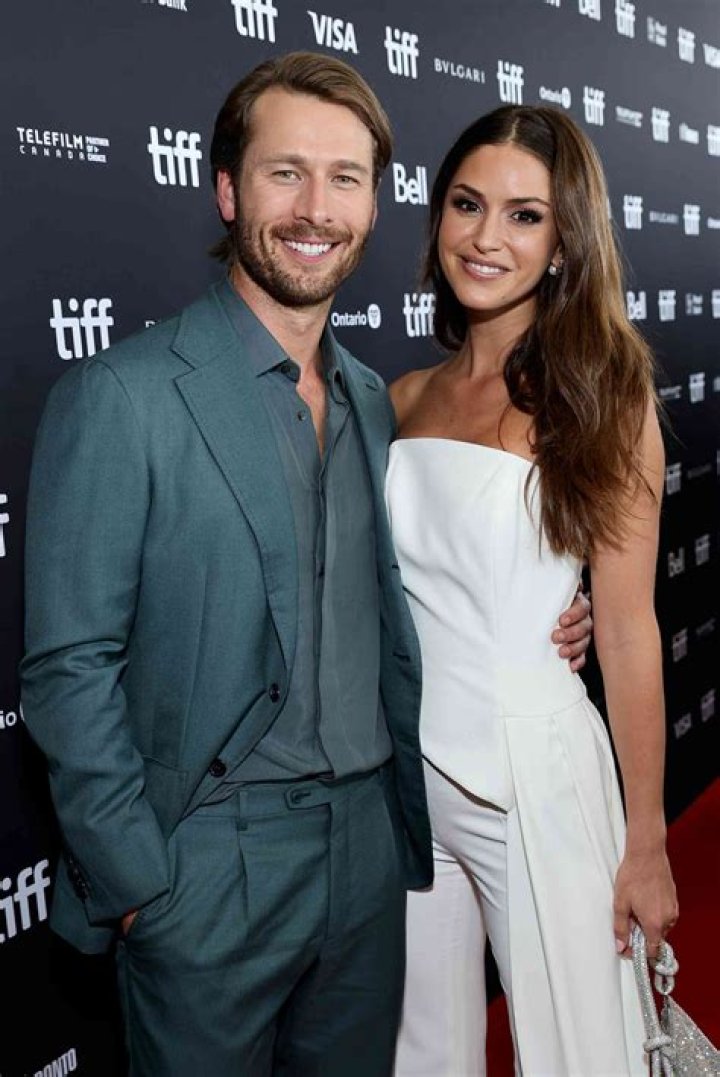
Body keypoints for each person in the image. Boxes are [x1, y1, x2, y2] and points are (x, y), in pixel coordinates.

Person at [20, 56, 591, 1076]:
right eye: (285, 173)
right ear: (227, 190)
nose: (316, 209)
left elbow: (429, 574)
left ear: (374, 206)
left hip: (374, 866)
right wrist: (141, 882)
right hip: (206, 870)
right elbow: (68, 665)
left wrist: (549, 600)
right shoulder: (123, 396)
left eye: (345, 179)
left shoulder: (378, 400)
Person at [387, 105, 679, 1076]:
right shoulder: (399, 398)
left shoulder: (601, 397)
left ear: (564, 244)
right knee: (422, 1054)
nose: (486, 237)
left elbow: (627, 630)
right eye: (467, 204)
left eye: (524, 215)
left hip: (535, 782)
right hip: (405, 783)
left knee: (581, 1053)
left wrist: (647, 842)